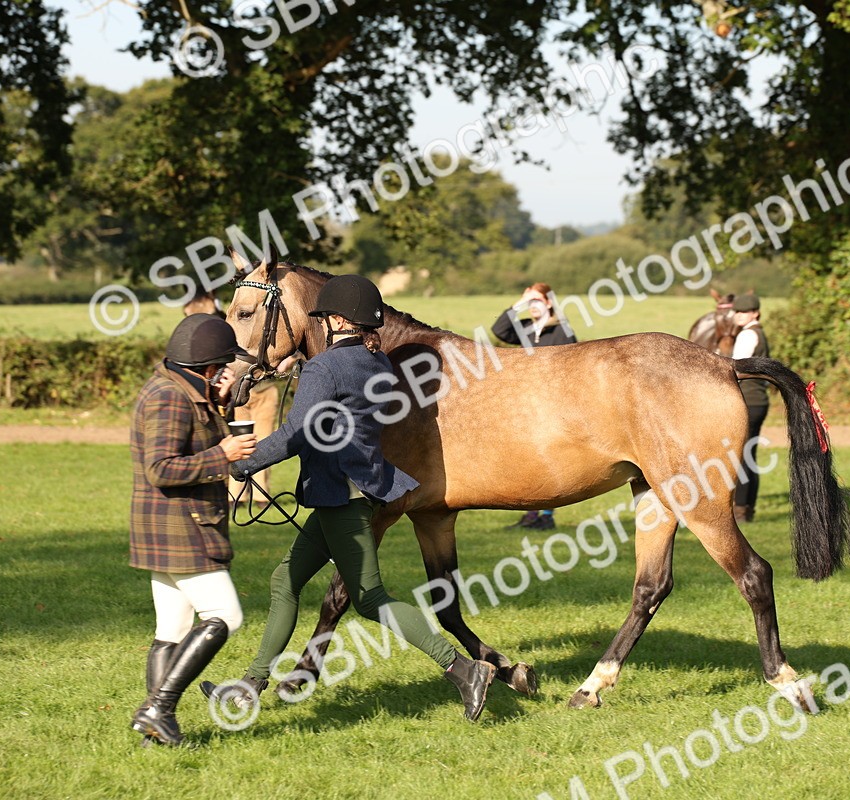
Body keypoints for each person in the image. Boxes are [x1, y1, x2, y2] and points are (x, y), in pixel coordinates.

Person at [201, 274, 497, 722]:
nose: (319, 325)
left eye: (323, 318)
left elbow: (296, 433)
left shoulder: (326, 368)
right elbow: (343, 401)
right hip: (350, 491)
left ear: (338, 319)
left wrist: (240, 464)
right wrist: (303, 372)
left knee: (370, 597)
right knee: (285, 581)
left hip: (340, 495)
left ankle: (462, 669)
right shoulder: (377, 363)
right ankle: (250, 684)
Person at [129, 314, 259, 747]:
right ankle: (158, 708)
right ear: (207, 366)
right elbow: (161, 468)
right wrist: (223, 455)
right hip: (182, 527)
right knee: (226, 616)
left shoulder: (178, 387)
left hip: (168, 526)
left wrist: (220, 405)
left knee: (172, 628)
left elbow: (193, 439)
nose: (225, 373)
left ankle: (156, 733)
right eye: (223, 367)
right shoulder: (170, 398)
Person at [491, 282, 577, 530]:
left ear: (549, 302)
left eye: (538, 301)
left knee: (552, 459)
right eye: (530, 303)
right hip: (527, 402)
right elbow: (499, 330)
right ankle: (532, 514)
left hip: (553, 402)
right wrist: (519, 304)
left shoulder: (562, 330)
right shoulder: (526, 327)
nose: (533, 306)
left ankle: (546, 515)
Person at [730, 293, 770, 522]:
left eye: (743, 311)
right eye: (736, 312)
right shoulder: (760, 334)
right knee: (749, 455)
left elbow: (736, 368)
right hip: (759, 401)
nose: (738, 315)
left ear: (755, 313)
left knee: (742, 456)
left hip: (748, 400)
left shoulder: (747, 336)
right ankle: (747, 508)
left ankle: (741, 509)